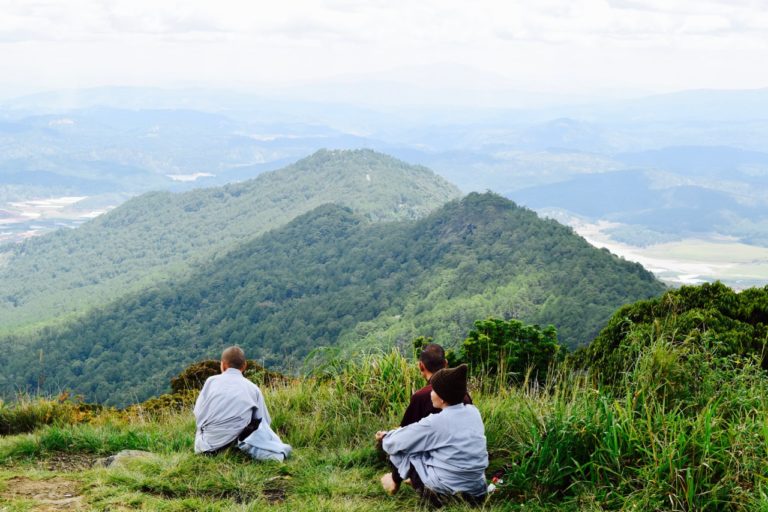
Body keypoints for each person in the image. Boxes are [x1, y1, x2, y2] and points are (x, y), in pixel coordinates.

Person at [376, 364, 488, 506]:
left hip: (447, 496)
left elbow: (398, 441)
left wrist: (385, 436)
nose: (430, 393)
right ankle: (418, 478)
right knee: (428, 448)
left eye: (434, 390)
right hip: (477, 493)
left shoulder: (436, 422)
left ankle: (393, 481)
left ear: (442, 398)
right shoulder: (473, 412)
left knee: (405, 451)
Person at [193, 346, 290, 460]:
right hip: (237, 443)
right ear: (244, 366)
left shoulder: (210, 382)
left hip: (205, 446)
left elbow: (198, 413)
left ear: (223, 365)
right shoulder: (253, 388)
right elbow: (264, 422)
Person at [400, 343, 472, 427]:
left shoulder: (420, 396)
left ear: (421, 365)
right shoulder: (463, 394)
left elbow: (405, 431)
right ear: (445, 363)